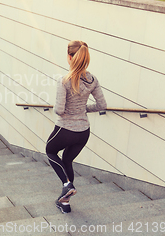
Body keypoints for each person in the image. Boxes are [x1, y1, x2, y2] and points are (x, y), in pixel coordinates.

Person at [46, 40, 106, 214]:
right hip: (83, 131)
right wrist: (85, 109)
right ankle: (65, 202)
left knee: (50, 151)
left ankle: (66, 185)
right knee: (67, 161)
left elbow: (59, 110)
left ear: (70, 57)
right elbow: (102, 105)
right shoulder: (92, 79)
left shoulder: (64, 80)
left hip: (66, 129)